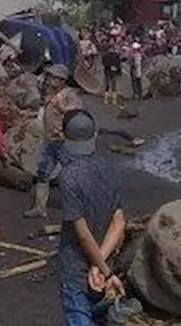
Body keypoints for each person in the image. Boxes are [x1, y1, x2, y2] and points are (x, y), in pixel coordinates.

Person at [55, 109, 143, 326]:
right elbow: (119, 221)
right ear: (93, 136)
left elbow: (82, 233)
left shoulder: (68, 176)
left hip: (76, 266)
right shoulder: (109, 168)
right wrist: (102, 266)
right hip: (105, 263)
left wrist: (99, 267)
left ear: (64, 136)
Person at [25, 64, 83, 219]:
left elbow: (77, 112)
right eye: (50, 77)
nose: (51, 80)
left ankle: (78, 207)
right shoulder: (50, 93)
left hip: (64, 141)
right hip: (50, 140)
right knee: (42, 173)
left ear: (62, 80)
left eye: (55, 78)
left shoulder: (68, 95)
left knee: (71, 174)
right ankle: (39, 207)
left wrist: (62, 106)